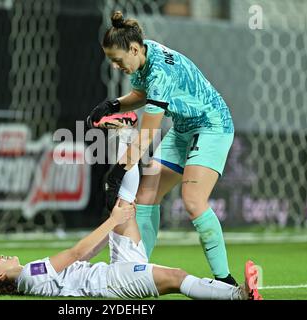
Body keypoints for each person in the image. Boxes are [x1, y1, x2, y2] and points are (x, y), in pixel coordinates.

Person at [86, 10, 237, 286]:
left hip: (212, 126)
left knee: (192, 200)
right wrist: (113, 105)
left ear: (132, 49)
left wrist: (116, 174)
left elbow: (145, 137)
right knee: (146, 194)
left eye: (118, 61)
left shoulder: (160, 73)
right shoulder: (145, 53)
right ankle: (138, 270)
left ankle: (225, 280)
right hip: (184, 128)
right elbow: (143, 95)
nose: (116, 67)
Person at [0, 160, 262, 300]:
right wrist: (111, 221)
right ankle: (239, 295)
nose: (1, 256)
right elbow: (75, 253)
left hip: (111, 271)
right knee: (175, 277)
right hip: (110, 283)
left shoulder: (29, 276)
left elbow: (81, 257)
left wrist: (115, 222)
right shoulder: (29, 276)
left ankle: (126, 141)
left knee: (126, 203)